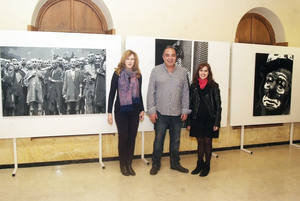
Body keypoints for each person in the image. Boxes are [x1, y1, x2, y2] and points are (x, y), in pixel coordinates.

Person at [147, 46, 190, 175]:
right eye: (167, 55)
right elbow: (151, 92)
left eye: (173, 55)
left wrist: (185, 110)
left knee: (176, 140)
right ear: (163, 57)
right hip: (160, 113)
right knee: (159, 140)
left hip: (177, 114)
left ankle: (175, 163)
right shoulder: (156, 71)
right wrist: (152, 111)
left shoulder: (182, 72)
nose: (170, 57)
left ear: (176, 57)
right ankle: (156, 164)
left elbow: (185, 92)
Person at [107, 50, 144, 176]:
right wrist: (109, 112)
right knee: (123, 138)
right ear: (124, 60)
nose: (130, 61)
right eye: (128, 59)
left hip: (134, 111)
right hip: (121, 111)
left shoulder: (138, 75)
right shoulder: (117, 74)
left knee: (132, 138)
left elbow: (140, 94)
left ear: (135, 61)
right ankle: (122, 165)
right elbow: (112, 93)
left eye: (132, 59)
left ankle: (129, 164)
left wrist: (142, 109)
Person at [187, 63, 221, 177]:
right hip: (197, 119)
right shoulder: (194, 86)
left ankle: (207, 165)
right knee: (200, 142)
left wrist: (217, 122)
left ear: (209, 73)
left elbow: (218, 106)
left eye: (205, 71)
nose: (203, 73)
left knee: (207, 142)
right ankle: (199, 164)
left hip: (210, 120)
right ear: (198, 72)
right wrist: (189, 122)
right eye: (201, 70)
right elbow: (190, 105)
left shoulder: (214, 86)